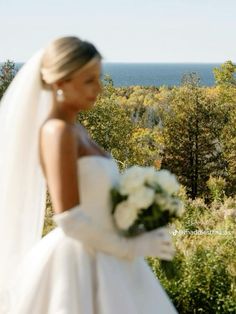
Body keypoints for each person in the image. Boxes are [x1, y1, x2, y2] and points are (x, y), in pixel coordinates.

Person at [0, 36, 178, 313]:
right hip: (77, 265)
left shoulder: (78, 132)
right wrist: (129, 247)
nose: (98, 88)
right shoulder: (56, 133)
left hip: (108, 257)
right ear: (60, 82)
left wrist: (138, 225)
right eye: (88, 81)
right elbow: (69, 218)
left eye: (98, 78)